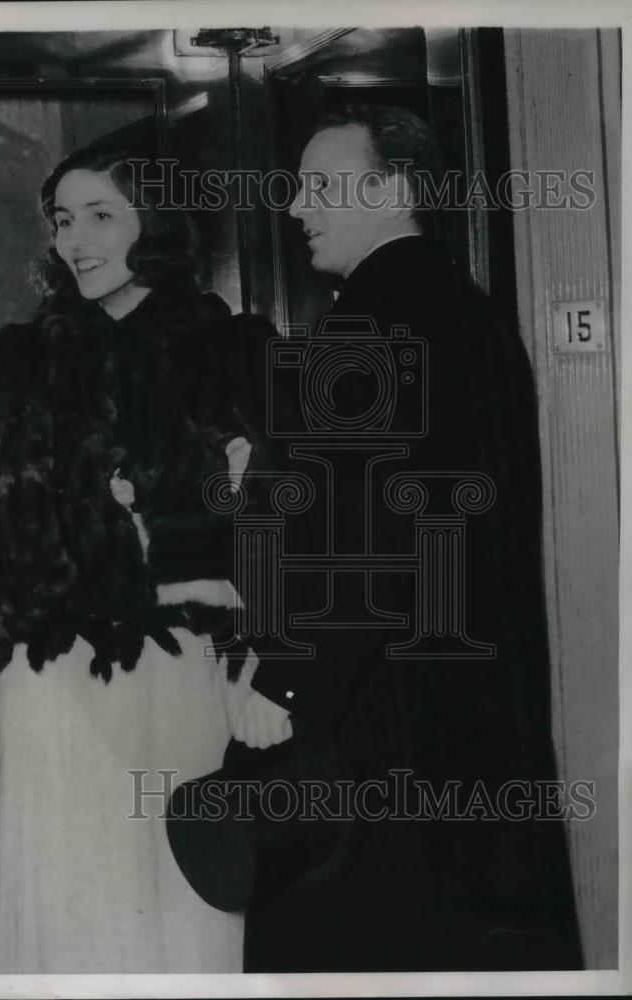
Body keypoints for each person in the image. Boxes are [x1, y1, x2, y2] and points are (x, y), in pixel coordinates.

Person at [241, 106, 584, 972]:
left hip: (371, 719)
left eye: (321, 184)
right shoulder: (467, 312)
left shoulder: (362, 325)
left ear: (394, 188)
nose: (296, 206)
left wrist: (278, 686)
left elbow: (360, 543)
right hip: (462, 706)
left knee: (354, 944)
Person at [0, 140, 291, 974]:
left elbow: (287, 530)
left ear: (157, 225)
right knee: (71, 902)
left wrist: (258, 657)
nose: (76, 240)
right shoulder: (22, 361)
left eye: (102, 215)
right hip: (59, 679)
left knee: (179, 899)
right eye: (64, 219)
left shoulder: (233, 350)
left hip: (187, 674)